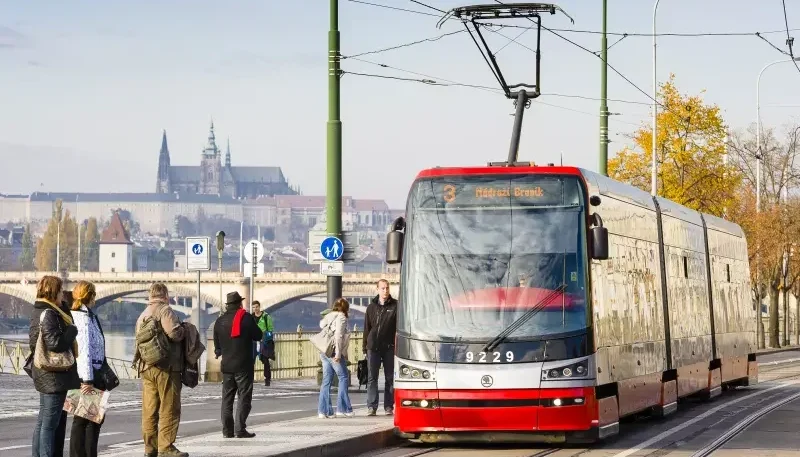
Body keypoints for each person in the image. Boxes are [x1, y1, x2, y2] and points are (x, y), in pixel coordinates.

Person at [29, 275, 80, 457]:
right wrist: (71, 331)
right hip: (54, 374)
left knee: (43, 421)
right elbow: (55, 344)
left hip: (45, 372)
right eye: (60, 291)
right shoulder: (49, 313)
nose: (63, 295)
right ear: (53, 292)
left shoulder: (41, 310)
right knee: (50, 424)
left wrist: (63, 308)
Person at [134, 283, 187, 457]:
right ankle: (166, 447)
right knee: (169, 407)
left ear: (150, 296)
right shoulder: (165, 311)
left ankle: (150, 448)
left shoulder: (143, 315)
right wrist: (183, 330)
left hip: (146, 367)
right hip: (166, 367)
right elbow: (174, 334)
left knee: (149, 409)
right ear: (165, 295)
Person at [213, 291, 262, 438]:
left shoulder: (219, 321)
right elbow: (258, 335)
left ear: (228, 305)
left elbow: (217, 347)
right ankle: (240, 429)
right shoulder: (245, 318)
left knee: (227, 399)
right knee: (244, 397)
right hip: (243, 366)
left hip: (227, 366)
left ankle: (227, 431)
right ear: (239, 304)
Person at [69, 280, 107, 457]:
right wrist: (88, 380)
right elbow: (83, 350)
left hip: (92, 373)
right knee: (85, 420)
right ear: (90, 296)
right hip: (89, 375)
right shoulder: (82, 317)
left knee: (91, 418)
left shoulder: (89, 316)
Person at [363, 279, 398, 416]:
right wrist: (365, 348)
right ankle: (372, 406)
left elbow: (398, 328)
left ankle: (388, 406)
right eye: (382, 288)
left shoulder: (395, 306)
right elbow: (367, 328)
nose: (385, 291)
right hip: (373, 347)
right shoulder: (371, 307)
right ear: (377, 289)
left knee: (390, 378)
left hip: (389, 347)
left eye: (387, 288)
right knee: (372, 378)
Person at [318, 298, 354, 418]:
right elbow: (338, 336)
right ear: (345, 309)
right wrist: (338, 354)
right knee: (343, 377)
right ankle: (343, 408)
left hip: (324, 351)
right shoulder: (341, 317)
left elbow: (321, 325)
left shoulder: (328, 316)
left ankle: (324, 411)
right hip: (334, 351)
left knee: (326, 381)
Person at [251, 300, 275, 386]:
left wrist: (265, 337)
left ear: (259, 307)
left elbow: (270, 330)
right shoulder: (251, 317)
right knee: (251, 360)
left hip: (263, 342)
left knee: (265, 360)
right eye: (253, 307)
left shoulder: (266, 317)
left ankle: (267, 379)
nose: (255, 309)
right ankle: (250, 379)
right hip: (253, 342)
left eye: (256, 307)